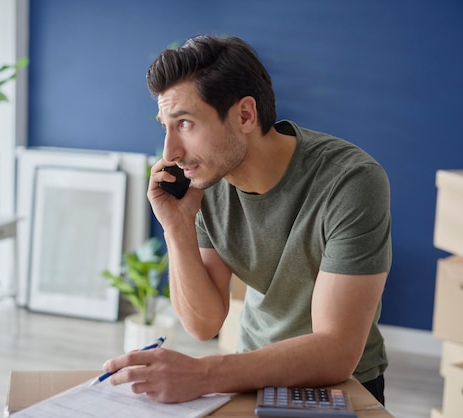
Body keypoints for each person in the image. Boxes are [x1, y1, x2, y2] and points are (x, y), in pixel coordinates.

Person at [101, 34, 391, 405]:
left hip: (342, 385)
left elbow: (335, 350)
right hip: (251, 376)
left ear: (245, 115)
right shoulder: (207, 182)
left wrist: (202, 374)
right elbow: (203, 324)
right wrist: (176, 226)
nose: (171, 152)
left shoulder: (350, 181)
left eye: (185, 123)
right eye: (165, 127)